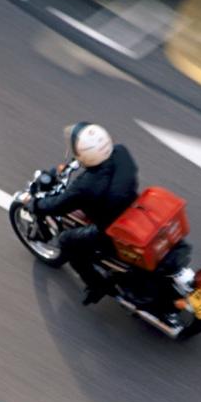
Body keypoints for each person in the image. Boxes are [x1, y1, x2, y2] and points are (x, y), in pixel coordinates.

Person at [28, 122, 138, 305]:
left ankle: (96, 284)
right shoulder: (121, 152)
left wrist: (36, 205)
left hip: (109, 229)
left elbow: (58, 205)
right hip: (133, 208)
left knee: (67, 242)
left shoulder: (85, 187)